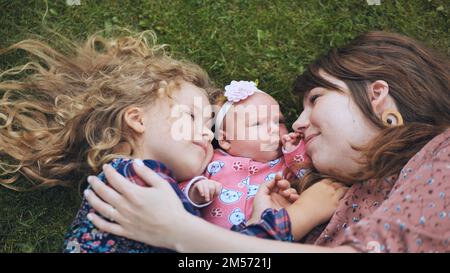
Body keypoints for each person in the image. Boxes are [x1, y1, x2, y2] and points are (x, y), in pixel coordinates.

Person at [84, 31, 450, 252]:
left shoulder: (444, 155)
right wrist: (265, 224)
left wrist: (181, 234)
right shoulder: (356, 188)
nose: (299, 124)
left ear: (378, 95)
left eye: (316, 99)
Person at [180, 80, 323, 229]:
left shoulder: (287, 164)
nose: (274, 129)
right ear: (225, 140)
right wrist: (195, 190)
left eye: (279, 121)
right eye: (257, 124)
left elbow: (308, 177)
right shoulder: (212, 160)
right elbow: (179, 186)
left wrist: (295, 151)